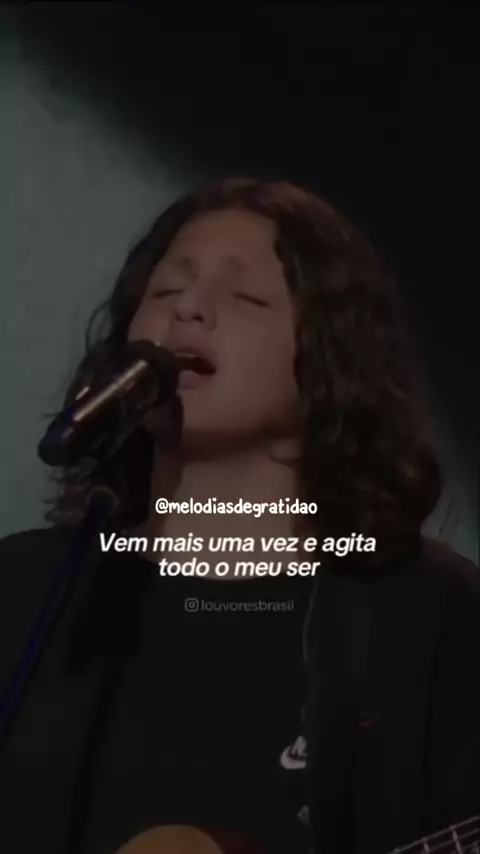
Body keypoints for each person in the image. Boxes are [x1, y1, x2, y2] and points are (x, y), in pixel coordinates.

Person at [0, 178, 478, 854]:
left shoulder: (431, 614)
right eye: (166, 290)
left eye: (245, 297)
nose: (188, 308)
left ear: (330, 356)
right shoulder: (23, 589)